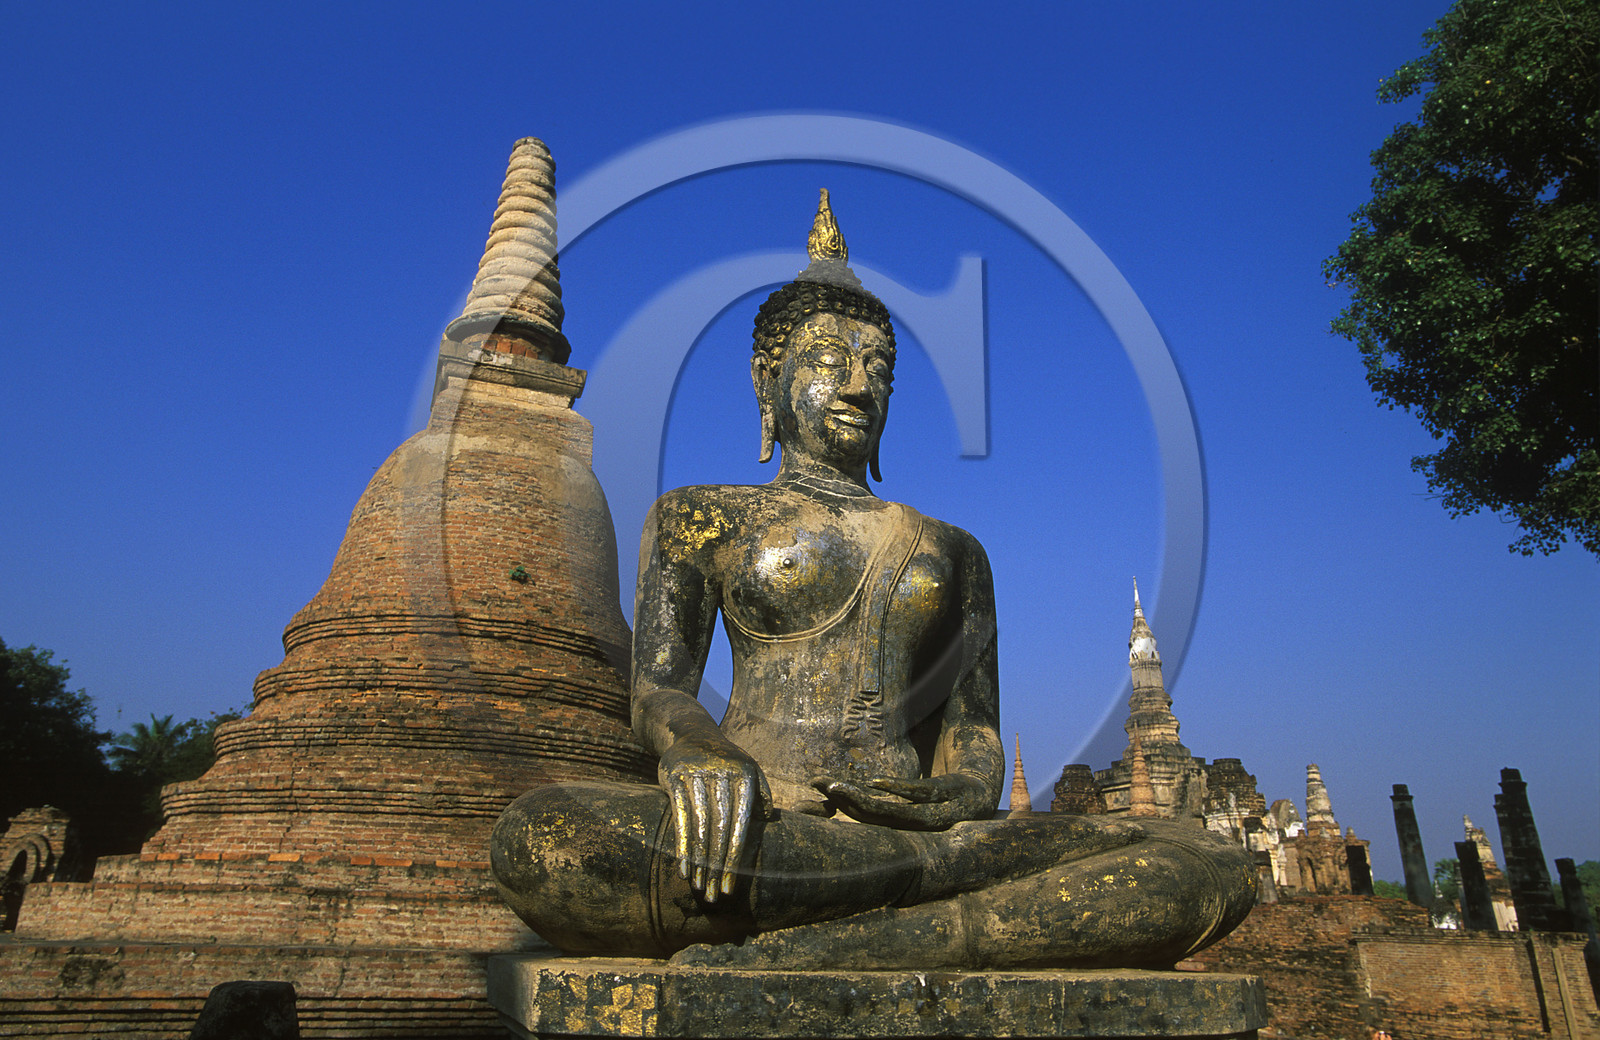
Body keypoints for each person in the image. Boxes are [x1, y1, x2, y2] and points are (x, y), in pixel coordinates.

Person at [491, 191, 1255, 969]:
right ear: (767, 380)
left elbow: (972, 728)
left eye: (878, 368)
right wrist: (699, 752)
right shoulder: (701, 517)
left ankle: (876, 940)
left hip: (927, 843)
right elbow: (657, 690)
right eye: (828, 362)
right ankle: (934, 929)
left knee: (1206, 865)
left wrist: (960, 791)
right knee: (549, 841)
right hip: (768, 833)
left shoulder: (955, 551)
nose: (858, 386)